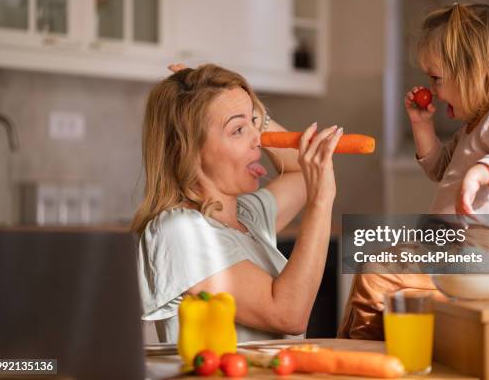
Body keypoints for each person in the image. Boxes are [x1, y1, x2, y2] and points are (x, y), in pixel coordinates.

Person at [339, 3, 489, 339]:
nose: (432, 89)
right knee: (380, 263)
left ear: (473, 71)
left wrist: (481, 172)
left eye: (437, 78)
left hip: (475, 256)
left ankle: (360, 351)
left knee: (376, 275)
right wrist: (422, 127)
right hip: (449, 248)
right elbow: (438, 169)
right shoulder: (472, 127)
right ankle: (366, 344)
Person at [132, 63, 343, 343]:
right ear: (188, 150)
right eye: (237, 130)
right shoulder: (179, 231)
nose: (260, 139)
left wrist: (255, 115)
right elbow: (289, 315)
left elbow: (301, 175)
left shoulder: (247, 216)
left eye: (255, 124)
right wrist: (321, 201)